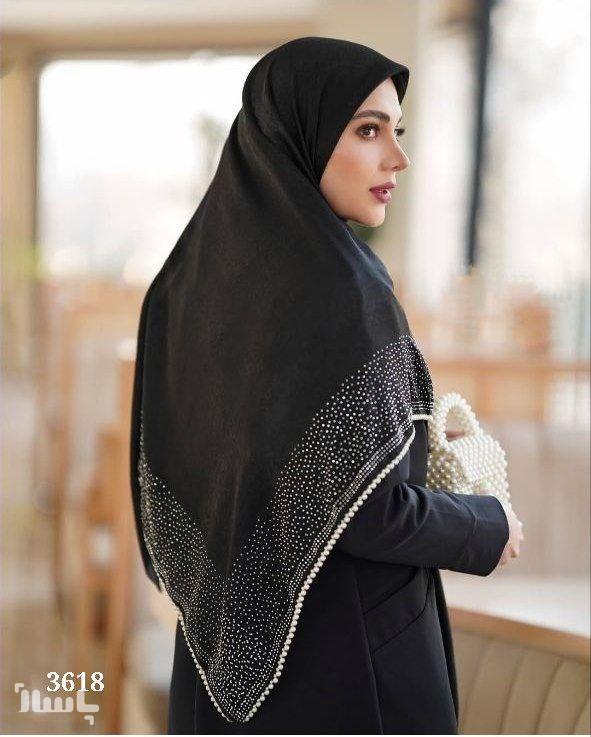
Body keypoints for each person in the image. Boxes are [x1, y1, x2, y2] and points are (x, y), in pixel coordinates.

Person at [129, 36, 524, 735]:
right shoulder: (344, 289)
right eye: (368, 130)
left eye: (397, 131)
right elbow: (369, 511)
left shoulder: (181, 287)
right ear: (300, 134)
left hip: (214, 662)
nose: (396, 158)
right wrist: (487, 526)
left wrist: (404, 429)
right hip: (351, 670)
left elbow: (212, 468)